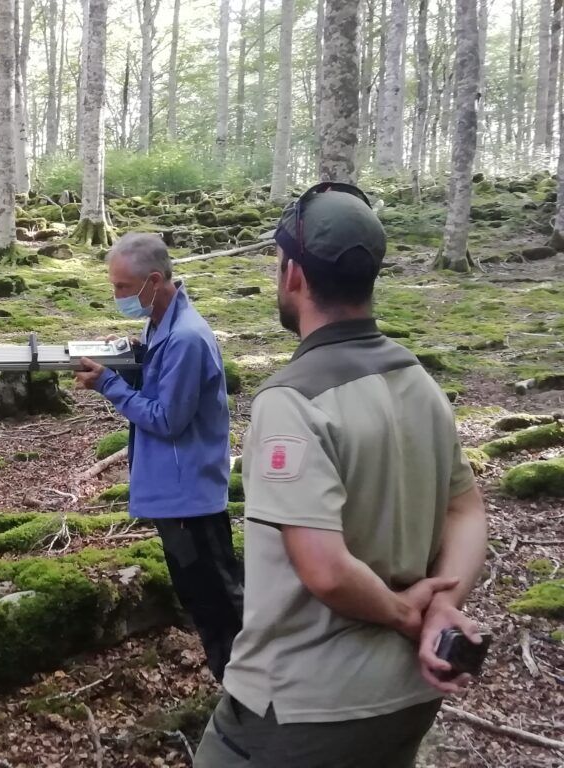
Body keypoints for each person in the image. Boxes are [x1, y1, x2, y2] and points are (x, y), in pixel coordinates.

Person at [194, 183, 489, 768]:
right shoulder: (420, 383)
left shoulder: (292, 401)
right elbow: (467, 508)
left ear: (294, 276)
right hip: (407, 695)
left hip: (301, 703)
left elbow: (326, 571)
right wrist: (443, 605)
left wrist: (411, 613)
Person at [75, 232, 244, 681]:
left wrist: (109, 384)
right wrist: (133, 356)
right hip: (176, 490)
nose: (117, 296)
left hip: (190, 497)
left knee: (218, 604)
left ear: (154, 280)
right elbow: (159, 380)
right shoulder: (161, 322)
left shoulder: (187, 338)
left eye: (123, 288)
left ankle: (250, 693)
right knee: (202, 598)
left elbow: (167, 418)